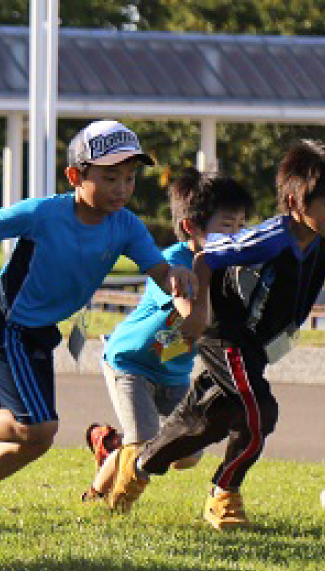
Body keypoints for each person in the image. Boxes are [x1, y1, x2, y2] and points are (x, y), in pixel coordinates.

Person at [0, 119, 198, 513]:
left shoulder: (126, 226)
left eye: (130, 178)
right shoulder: (43, 213)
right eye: (110, 177)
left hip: (37, 331)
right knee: (39, 427)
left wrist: (179, 277)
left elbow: (161, 272)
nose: (122, 188)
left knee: (32, 436)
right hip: (3, 325)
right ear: (74, 175)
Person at [107, 139, 325, 531]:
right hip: (227, 336)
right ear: (296, 202)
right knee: (258, 413)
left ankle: (139, 465)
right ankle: (223, 494)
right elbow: (207, 258)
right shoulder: (270, 238)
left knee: (208, 418)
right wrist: (196, 315)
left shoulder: (324, 239)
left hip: (257, 346)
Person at [82, 169, 253, 501]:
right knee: (144, 445)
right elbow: (191, 316)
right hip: (131, 363)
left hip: (173, 372)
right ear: (192, 227)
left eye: (241, 227)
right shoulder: (174, 262)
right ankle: (102, 500)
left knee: (186, 452)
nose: (236, 236)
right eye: (227, 226)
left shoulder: (230, 269)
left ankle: (112, 444)